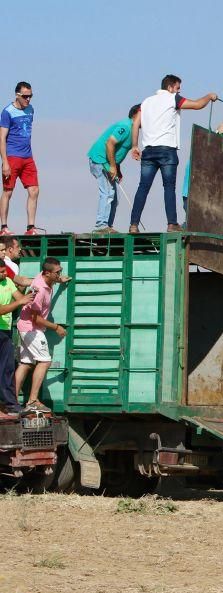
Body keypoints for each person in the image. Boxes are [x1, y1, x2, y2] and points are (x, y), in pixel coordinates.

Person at [130, 75, 217, 233]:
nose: (179, 91)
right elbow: (197, 105)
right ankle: (172, 224)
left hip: (148, 151)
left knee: (142, 188)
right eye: (178, 88)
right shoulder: (172, 99)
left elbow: (136, 124)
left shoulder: (146, 102)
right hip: (167, 150)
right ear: (170, 88)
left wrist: (135, 146)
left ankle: (134, 224)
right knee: (169, 187)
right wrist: (209, 96)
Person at [15, 257, 67, 412]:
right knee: (44, 362)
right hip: (32, 328)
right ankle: (32, 401)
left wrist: (59, 280)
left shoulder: (43, 279)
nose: (59, 274)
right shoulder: (40, 290)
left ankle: (11, 400)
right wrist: (56, 327)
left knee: (25, 364)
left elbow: (46, 279)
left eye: (60, 271)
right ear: (47, 273)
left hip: (25, 327)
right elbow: (35, 318)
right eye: (57, 272)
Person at [87, 104, 141, 233]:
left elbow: (117, 151)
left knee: (114, 198)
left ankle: (108, 226)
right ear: (137, 114)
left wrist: (117, 168)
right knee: (107, 193)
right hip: (100, 160)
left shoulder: (133, 130)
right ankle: (101, 225)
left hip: (109, 163)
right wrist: (112, 166)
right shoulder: (126, 127)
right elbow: (110, 143)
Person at [181, 123, 223, 224]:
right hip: (193, 197)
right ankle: (187, 227)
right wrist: (217, 133)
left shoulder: (218, 161)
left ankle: (220, 228)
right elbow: (204, 151)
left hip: (212, 198)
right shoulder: (198, 154)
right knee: (197, 223)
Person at [0, 82, 39, 236]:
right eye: (25, 96)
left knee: (34, 190)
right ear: (17, 95)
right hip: (12, 156)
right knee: (8, 191)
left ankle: (31, 227)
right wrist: (5, 162)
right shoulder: (7, 112)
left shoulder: (30, 110)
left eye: (30, 96)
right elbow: (2, 138)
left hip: (27, 156)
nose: (28, 99)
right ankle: (4, 226)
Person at [0, 247, 33, 415]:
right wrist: (20, 302)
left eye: (5, 271)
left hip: (4, 331)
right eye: (1, 272)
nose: (5, 274)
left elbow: (21, 298)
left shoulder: (8, 282)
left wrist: (30, 294)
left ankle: (11, 405)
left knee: (7, 368)